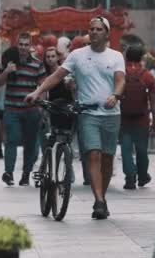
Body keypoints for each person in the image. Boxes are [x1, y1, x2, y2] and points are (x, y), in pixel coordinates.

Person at [26, 16, 125, 220]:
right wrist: (38, 92)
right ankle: (98, 201)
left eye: (99, 29)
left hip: (111, 114)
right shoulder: (77, 55)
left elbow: (120, 80)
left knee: (107, 159)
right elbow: (56, 76)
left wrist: (115, 95)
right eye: (92, 29)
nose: (95, 32)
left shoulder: (115, 56)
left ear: (106, 33)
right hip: (87, 113)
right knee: (94, 154)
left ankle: (102, 197)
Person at [0, 32, 46, 186]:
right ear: (17, 45)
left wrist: (42, 107)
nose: (23, 48)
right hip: (12, 109)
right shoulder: (10, 62)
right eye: (21, 44)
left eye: (26, 45)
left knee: (30, 143)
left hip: (31, 110)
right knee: (12, 140)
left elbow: (43, 86)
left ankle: (26, 173)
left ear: (30, 46)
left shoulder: (37, 64)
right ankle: (8, 173)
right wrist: (6, 71)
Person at [119, 45, 155, 190]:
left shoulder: (121, 73)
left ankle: (130, 178)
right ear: (141, 57)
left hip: (124, 119)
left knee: (126, 149)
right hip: (142, 120)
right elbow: (153, 101)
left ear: (126, 57)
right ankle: (142, 176)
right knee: (142, 150)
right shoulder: (148, 76)